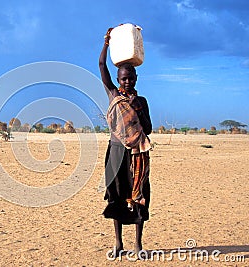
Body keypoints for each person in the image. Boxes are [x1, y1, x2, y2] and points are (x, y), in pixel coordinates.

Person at [99, 27, 152, 256]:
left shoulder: (141, 101)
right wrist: (106, 43)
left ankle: (138, 244)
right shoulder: (114, 96)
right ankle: (119, 243)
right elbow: (102, 66)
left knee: (140, 195)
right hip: (116, 155)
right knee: (117, 196)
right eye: (123, 78)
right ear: (118, 80)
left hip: (137, 154)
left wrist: (135, 116)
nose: (127, 81)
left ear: (136, 78)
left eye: (130, 77)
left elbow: (148, 128)